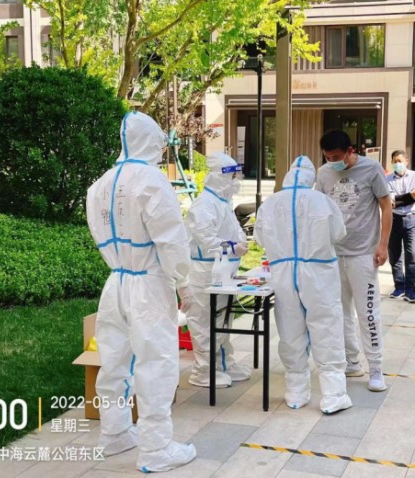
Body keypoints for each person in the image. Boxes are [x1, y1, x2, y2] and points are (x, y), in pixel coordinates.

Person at [86, 112, 196, 472]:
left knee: (114, 360)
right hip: (148, 282)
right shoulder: (151, 180)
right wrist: (183, 281)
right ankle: (156, 448)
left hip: (116, 280)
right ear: (150, 141)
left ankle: (115, 432)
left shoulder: (100, 184)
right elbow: (171, 238)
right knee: (156, 362)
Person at [254, 155, 353, 413]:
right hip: (319, 273)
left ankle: (296, 392)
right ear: (311, 178)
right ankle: (333, 395)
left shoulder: (270, 204)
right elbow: (338, 234)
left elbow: (260, 238)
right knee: (327, 329)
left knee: (290, 331)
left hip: (283, 273)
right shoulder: (323, 201)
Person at [316, 130, 392, 392]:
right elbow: (319, 210)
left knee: (368, 312)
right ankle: (351, 361)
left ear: (350, 151)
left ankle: (376, 368)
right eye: (327, 157)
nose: (332, 162)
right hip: (334, 254)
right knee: (340, 312)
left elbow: (386, 206)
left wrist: (383, 245)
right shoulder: (324, 173)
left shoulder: (371, 169)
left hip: (363, 254)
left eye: (336, 157)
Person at [185, 152, 251, 388]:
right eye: (232, 176)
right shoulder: (204, 205)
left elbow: (234, 229)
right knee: (204, 321)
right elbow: (206, 239)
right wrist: (233, 247)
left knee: (223, 317)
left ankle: (224, 363)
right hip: (204, 270)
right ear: (219, 176)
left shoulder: (222, 203)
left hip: (222, 269)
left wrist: (241, 241)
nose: (236, 181)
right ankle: (203, 371)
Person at [386, 150, 415, 304]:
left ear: (407, 161)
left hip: (411, 219)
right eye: (395, 161)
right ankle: (399, 286)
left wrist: (398, 199)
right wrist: (408, 196)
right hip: (394, 219)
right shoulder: (387, 179)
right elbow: (390, 202)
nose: (398, 164)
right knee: (395, 255)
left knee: (411, 255)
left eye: (400, 161)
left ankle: (410, 290)